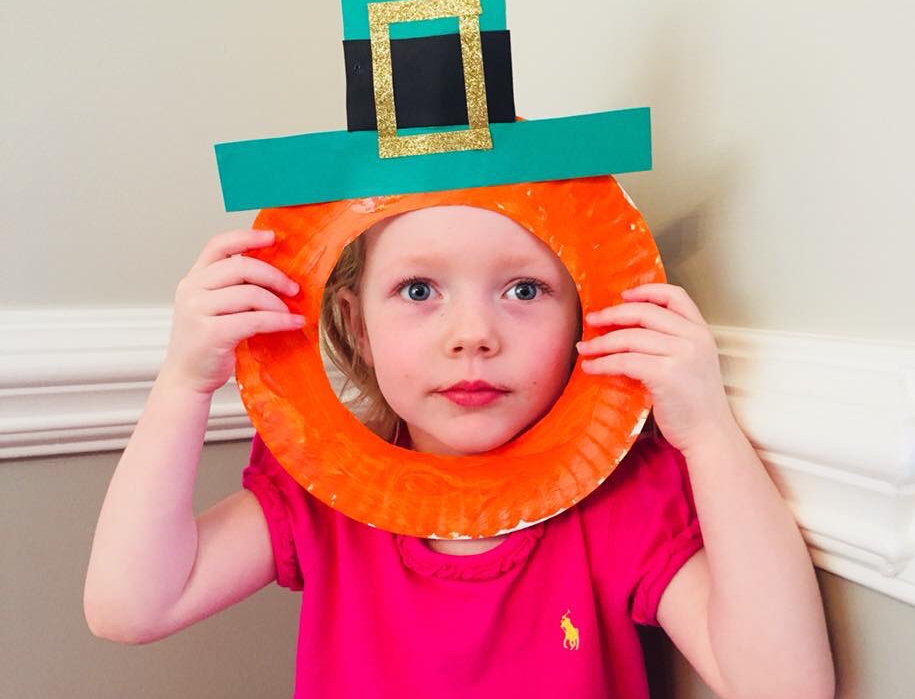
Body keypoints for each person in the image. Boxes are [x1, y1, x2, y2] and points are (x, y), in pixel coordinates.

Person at [84, 203, 835, 698]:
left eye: (524, 290)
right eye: (418, 290)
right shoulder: (320, 490)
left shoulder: (619, 501)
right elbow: (129, 606)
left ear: (587, 310)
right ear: (356, 321)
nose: (472, 334)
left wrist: (706, 432)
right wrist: (184, 382)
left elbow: (783, 686)